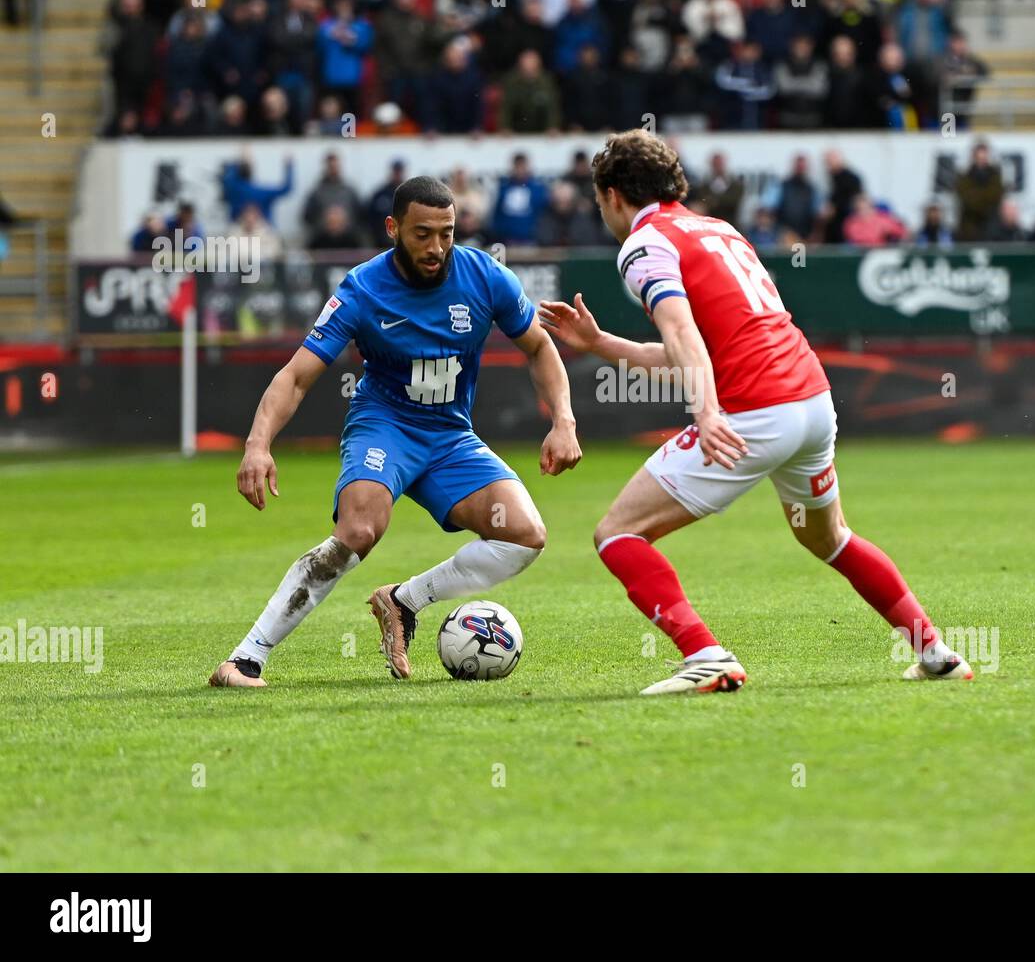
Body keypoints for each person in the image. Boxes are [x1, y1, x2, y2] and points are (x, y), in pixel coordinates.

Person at [539, 129, 973, 695]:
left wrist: (708, 412)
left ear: (614, 195)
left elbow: (681, 332)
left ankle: (705, 655)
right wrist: (602, 346)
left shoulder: (644, 244)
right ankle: (934, 652)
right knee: (831, 538)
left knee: (617, 534)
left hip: (754, 411)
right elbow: (696, 348)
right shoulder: (719, 230)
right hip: (812, 402)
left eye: (600, 202)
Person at [209, 176, 582, 687]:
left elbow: (540, 347)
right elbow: (295, 376)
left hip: (450, 436)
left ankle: (403, 601)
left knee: (524, 535)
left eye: (447, 233)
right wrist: (257, 446)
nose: (436, 248)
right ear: (393, 228)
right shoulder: (362, 290)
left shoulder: (486, 277)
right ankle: (246, 658)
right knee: (359, 530)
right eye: (422, 233)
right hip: (385, 427)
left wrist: (563, 420)